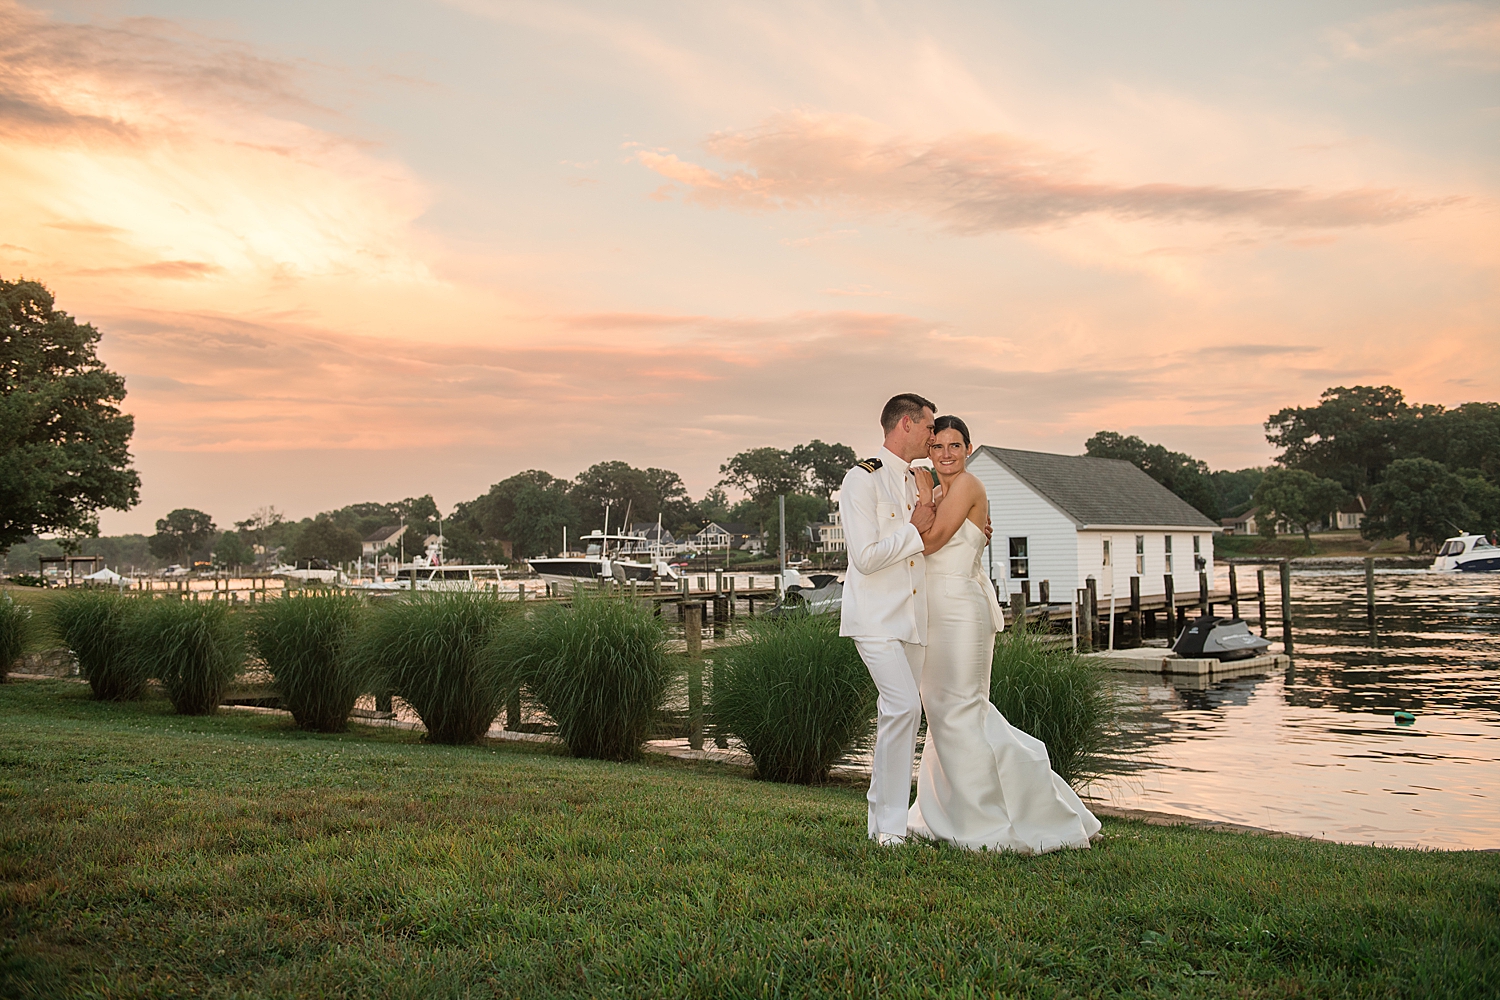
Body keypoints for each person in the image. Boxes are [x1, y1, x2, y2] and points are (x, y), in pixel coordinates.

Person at [905, 415, 1101, 854]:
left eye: (955, 445)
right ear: (929, 450)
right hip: (934, 611)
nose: (946, 454)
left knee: (962, 710)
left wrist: (921, 496)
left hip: (961, 612)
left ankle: (988, 819)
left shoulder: (968, 486)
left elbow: (931, 541)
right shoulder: (941, 493)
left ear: (969, 449)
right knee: (940, 713)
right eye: (938, 446)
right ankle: (945, 812)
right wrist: (927, 498)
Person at [838, 393, 939, 846]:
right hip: (875, 619)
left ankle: (881, 824)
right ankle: (893, 829)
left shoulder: (921, 479)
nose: (933, 437)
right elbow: (865, 558)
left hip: (914, 620)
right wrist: (914, 527)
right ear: (905, 423)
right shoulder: (863, 480)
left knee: (896, 717)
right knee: (903, 707)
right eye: (928, 428)